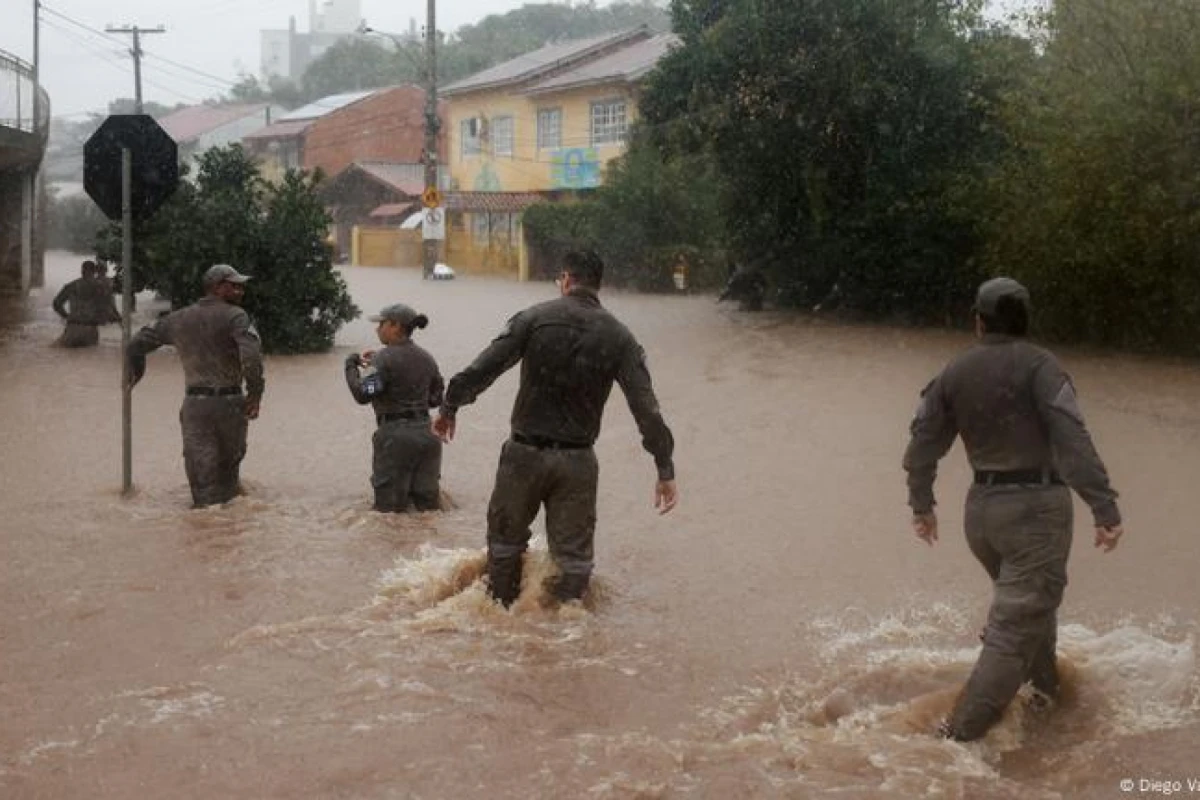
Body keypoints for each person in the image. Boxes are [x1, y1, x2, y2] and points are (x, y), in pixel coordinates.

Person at [902, 276, 1124, 742]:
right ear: (1025, 320)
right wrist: (1103, 506)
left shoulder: (954, 371)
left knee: (1028, 615)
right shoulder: (1041, 366)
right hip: (1035, 511)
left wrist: (922, 503)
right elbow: (1073, 437)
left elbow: (923, 442)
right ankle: (955, 740)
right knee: (1014, 627)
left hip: (981, 514)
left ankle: (1046, 702)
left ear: (978, 322)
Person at [434, 249, 679, 607]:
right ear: (598, 284)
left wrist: (449, 407)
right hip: (577, 464)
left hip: (523, 456)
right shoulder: (620, 337)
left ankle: (501, 620)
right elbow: (647, 409)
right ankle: (563, 633)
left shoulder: (534, 318)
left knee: (504, 549)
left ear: (566, 279)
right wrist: (664, 467)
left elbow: (484, 367)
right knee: (574, 563)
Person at [126, 264, 265, 508]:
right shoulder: (236, 316)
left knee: (201, 482)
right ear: (217, 287)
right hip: (230, 404)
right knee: (229, 481)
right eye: (234, 285)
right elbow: (251, 358)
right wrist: (255, 395)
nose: (240, 290)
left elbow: (136, 344)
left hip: (195, 407)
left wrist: (135, 374)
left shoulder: (178, 318)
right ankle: (227, 539)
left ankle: (204, 535)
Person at [345, 303, 445, 513]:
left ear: (395, 326)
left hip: (395, 439)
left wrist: (351, 365)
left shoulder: (384, 358)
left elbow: (363, 394)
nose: (377, 329)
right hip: (428, 436)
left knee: (389, 513)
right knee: (426, 511)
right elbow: (436, 399)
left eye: (381, 324)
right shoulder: (427, 358)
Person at [52, 260, 120, 347]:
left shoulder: (71, 286)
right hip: (90, 330)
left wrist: (66, 316)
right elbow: (108, 308)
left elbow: (56, 303)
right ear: (94, 272)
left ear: (82, 271)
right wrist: (113, 318)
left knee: (55, 348)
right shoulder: (101, 288)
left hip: (73, 328)